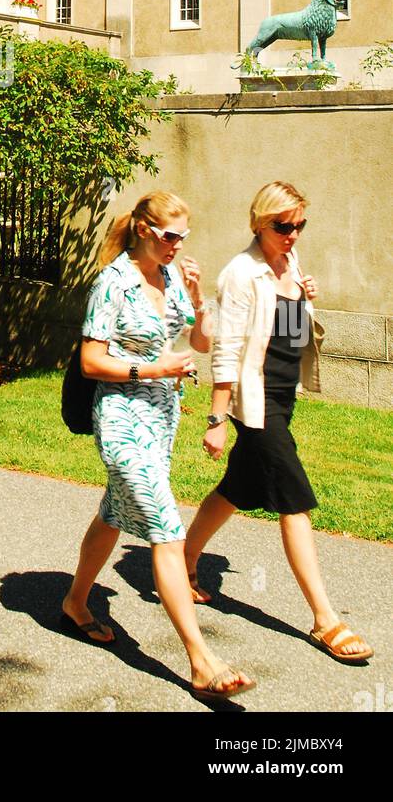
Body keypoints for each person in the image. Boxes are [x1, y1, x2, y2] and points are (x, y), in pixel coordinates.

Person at [61, 190, 257, 701]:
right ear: (145, 230)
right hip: (121, 416)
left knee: (115, 510)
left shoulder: (171, 277)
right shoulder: (113, 283)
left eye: (183, 238)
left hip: (161, 416)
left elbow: (199, 342)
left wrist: (194, 300)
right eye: (170, 236)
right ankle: (202, 660)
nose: (177, 245)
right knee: (165, 528)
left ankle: (76, 601)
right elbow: (90, 362)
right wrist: (154, 368)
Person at [184, 181, 373, 662]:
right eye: (283, 226)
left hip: (284, 395)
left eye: (299, 225)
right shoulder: (240, 273)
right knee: (294, 498)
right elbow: (225, 348)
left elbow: (288, 333)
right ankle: (325, 619)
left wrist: (303, 298)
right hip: (255, 399)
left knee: (237, 488)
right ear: (259, 223)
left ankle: (184, 558)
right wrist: (216, 417)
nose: (293, 234)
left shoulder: (289, 263)